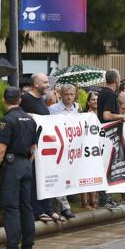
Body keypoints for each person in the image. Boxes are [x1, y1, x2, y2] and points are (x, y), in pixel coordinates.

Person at [0, 87, 37, 249]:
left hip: (12, 165)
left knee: (11, 207)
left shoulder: (6, 120)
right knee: (26, 206)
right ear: (19, 100)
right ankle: (28, 246)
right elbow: (33, 148)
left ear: (3, 100)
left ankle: (12, 247)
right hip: (26, 165)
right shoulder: (30, 119)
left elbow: (1, 149)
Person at [20, 73, 62, 222]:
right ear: (36, 84)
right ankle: (38, 211)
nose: (48, 85)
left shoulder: (42, 100)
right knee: (35, 180)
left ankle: (47, 209)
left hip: (45, 149)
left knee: (45, 179)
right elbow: (22, 119)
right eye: (44, 82)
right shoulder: (26, 99)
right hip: (34, 148)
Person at [97, 69, 125, 209]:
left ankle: (105, 198)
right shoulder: (109, 94)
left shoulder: (103, 92)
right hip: (108, 135)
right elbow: (107, 115)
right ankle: (105, 199)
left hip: (104, 134)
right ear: (116, 80)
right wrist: (121, 117)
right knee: (107, 166)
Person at [48, 84, 79, 219]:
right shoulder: (53, 109)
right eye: (66, 94)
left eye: (72, 94)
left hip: (71, 150)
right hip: (57, 149)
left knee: (65, 179)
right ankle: (65, 208)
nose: (69, 97)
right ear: (61, 94)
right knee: (58, 178)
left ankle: (56, 209)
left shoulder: (76, 108)